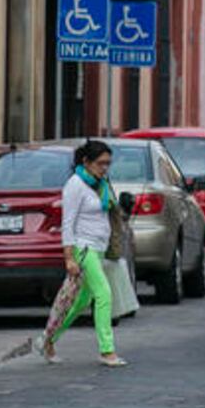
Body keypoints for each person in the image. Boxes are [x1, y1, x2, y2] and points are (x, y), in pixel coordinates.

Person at [35, 140, 127, 367]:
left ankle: (48, 340)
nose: (105, 168)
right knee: (103, 294)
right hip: (83, 248)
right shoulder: (75, 185)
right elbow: (68, 224)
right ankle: (107, 351)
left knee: (79, 302)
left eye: (108, 163)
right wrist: (69, 257)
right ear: (86, 162)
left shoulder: (101, 183)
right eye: (100, 163)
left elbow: (108, 214)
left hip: (99, 247)